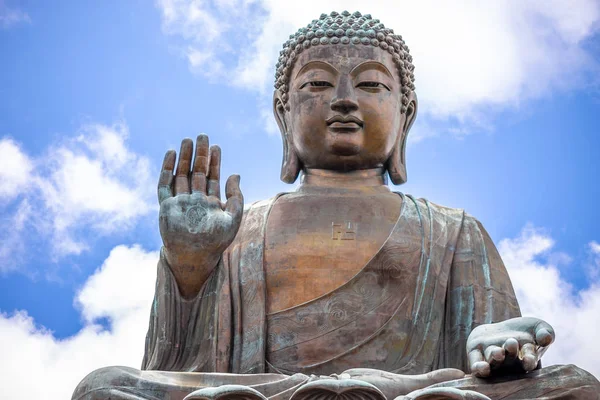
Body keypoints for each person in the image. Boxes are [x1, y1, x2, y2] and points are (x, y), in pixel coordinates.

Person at [72, 11, 600, 400]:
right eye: (317, 84)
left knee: (575, 389)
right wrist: (190, 267)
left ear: (405, 115)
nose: (344, 98)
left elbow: (496, 364)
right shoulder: (240, 230)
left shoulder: (452, 231)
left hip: (410, 391)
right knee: (102, 389)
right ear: (284, 115)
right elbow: (175, 364)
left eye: (371, 84)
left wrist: (494, 345)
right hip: (258, 392)